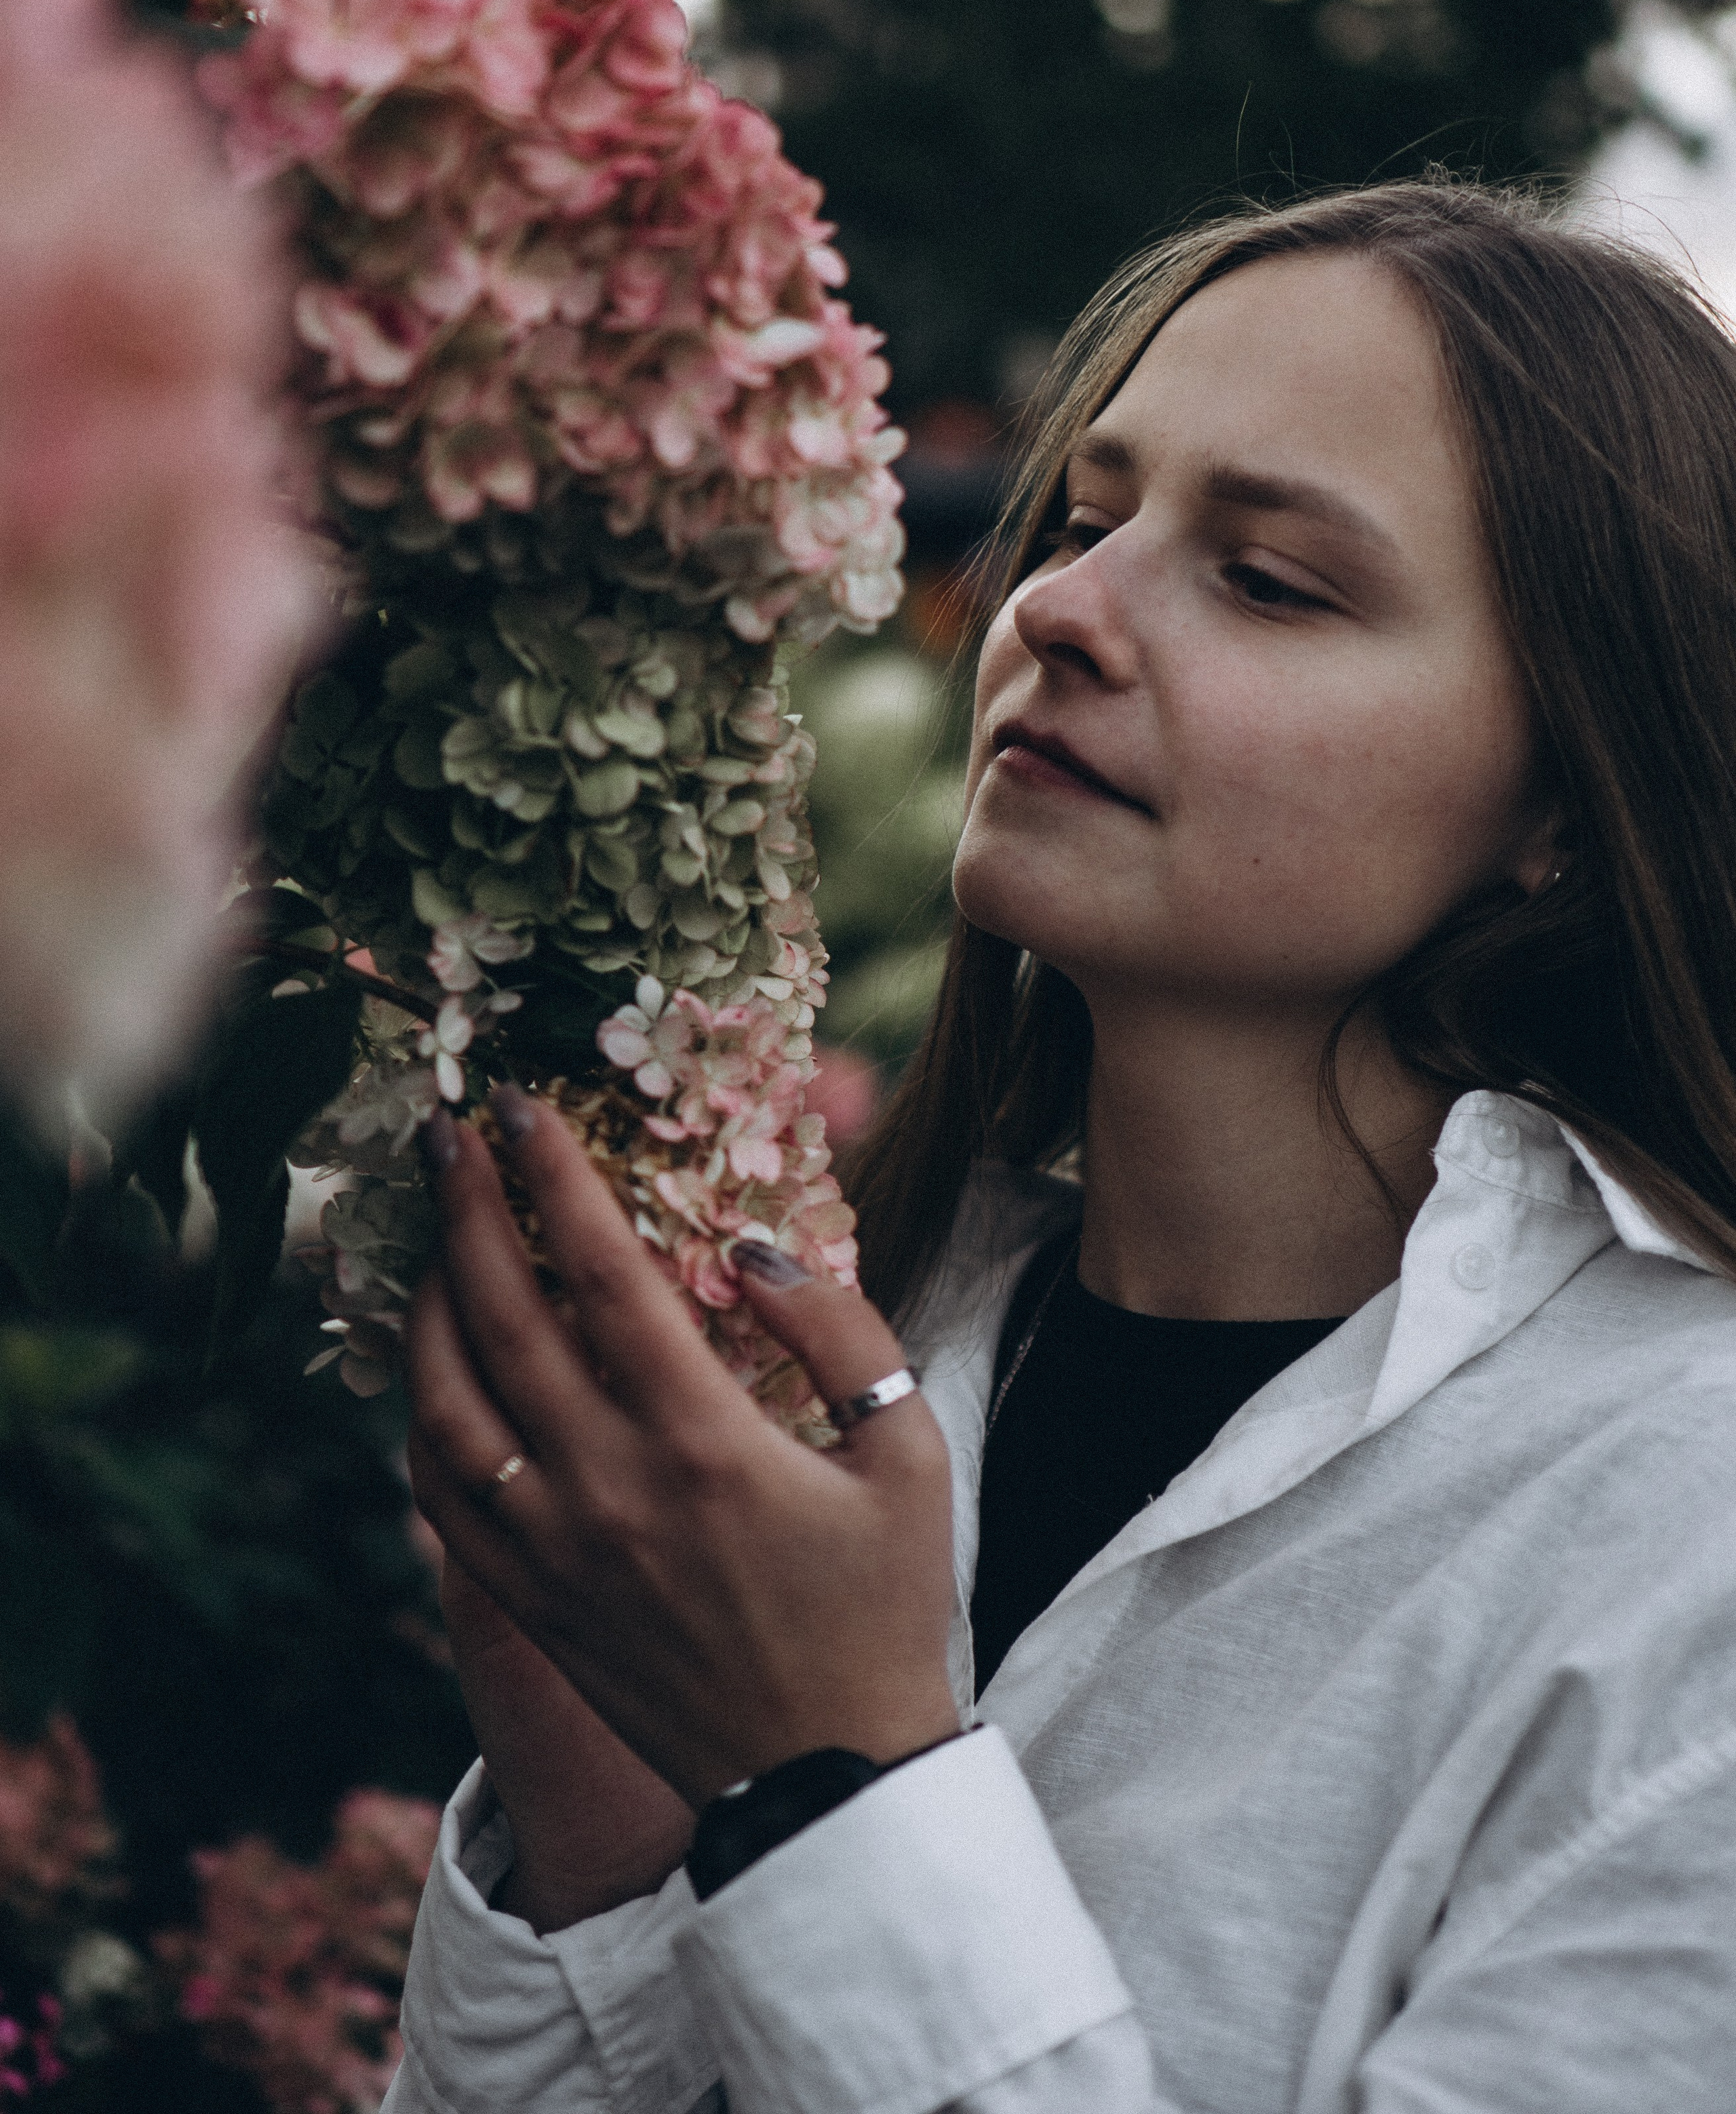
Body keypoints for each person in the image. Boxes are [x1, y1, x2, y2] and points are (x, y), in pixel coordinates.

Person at [385, 181, 1736, 2114]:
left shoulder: (1687, 1540)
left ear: (1571, 807)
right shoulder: (853, 1344)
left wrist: (844, 1772)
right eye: (1093, 521)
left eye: (1270, 579)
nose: (1060, 611)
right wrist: (594, 1834)